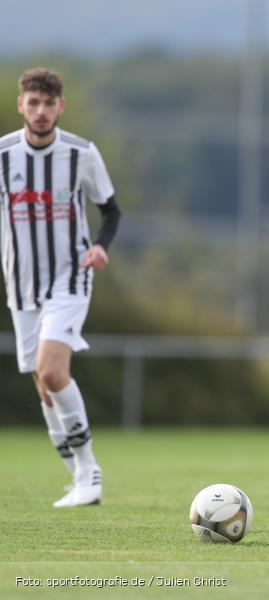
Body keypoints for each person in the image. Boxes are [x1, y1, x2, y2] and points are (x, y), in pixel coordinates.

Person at [0, 68, 121, 508]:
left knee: (53, 371)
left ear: (60, 107)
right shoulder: (2, 155)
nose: (41, 111)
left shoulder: (81, 154)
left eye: (49, 104)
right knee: (43, 384)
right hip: (21, 285)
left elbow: (111, 211)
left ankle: (90, 471)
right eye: (34, 103)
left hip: (70, 276)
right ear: (21, 106)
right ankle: (76, 477)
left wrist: (101, 248)